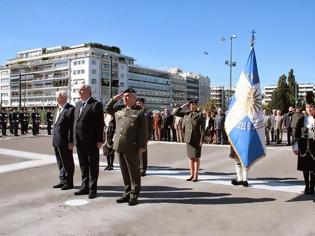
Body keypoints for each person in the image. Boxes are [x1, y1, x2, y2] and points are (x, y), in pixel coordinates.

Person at [106, 88, 148, 206]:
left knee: (134, 172)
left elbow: (143, 132)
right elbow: (107, 108)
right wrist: (115, 98)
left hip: (132, 147)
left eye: (128, 96)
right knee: (124, 171)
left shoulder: (140, 112)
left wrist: (142, 147)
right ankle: (127, 192)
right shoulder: (120, 109)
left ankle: (134, 195)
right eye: (124, 96)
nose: (125, 98)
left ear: (134, 98)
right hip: (119, 145)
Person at [73, 85, 104, 199]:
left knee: (93, 166)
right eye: (79, 90)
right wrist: (73, 139)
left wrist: (100, 140)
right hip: (79, 141)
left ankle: (92, 189)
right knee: (83, 165)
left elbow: (99, 124)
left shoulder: (95, 105)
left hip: (91, 141)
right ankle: (84, 187)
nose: (79, 91)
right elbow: (75, 124)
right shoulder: (77, 105)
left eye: (81, 90)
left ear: (88, 92)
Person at [173, 99, 205, 182]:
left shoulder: (200, 114)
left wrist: (201, 139)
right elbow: (174, 113)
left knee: (196, 157)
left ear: (196, 106)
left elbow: (202, 129)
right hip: (188, 139)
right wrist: (182, 106)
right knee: (190, 157)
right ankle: (191, 174)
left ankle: (196, 176)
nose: (192, 106)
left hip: (196, 139)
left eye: (194, 105)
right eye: (191, 105)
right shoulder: (187, 113)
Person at [292, 91, 315, 196]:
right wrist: (295, 144)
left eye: (311, 107)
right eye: (307, 107)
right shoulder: (302, 120)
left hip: (314, 148)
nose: (309, 109)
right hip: (303, 148)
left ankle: (312, 187)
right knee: (305, 168)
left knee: (313, 168)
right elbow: (297, 133)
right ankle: (307, 186)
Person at [52, 90, 75, 190]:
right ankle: (63, 180)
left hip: (65, 141)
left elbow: (71, 127)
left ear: (64, 98)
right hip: (57, 141)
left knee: (67, 162)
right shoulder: (59, 109)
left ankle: (69, 182)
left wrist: (71, 141)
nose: (57, 99)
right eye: (56, 97)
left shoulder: (70, 109)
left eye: (58, 97)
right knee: (60, 162)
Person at [136, 98, 151, 176]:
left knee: (143, 153)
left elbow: (150, 127)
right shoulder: (135, 112)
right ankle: (137, 167)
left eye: (140, 103)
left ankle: (143, 169)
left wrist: (148, 137)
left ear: (143, 104)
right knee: (136, 153)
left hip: (144, 136)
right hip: (135, 136)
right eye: (137, 103)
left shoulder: (147, 113)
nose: (138, 104)